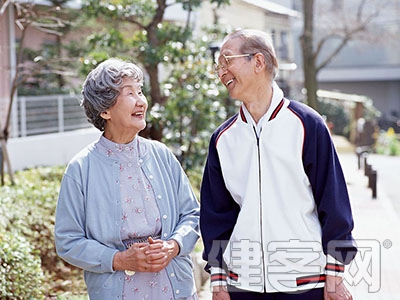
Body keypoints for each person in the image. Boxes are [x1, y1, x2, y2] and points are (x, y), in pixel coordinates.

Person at [200, 29, 357, 300]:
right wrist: (218, 278)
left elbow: (333, 201)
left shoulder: (307, 125)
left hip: (305, 282)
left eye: (227, 61)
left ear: (258, 62)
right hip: (242, 285)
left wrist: (335, 270)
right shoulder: (223, 139)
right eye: (218, 66)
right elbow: (216, 214)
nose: (221, 72)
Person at [55, 58, 200, 300]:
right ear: (105, 110)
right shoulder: (81, 168)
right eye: (129, 93)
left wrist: (173, 246)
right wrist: (120, 259)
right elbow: (68, 241)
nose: (141, 101)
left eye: (140, 91)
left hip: (175, 287)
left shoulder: (161, 155)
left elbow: (192, 214)